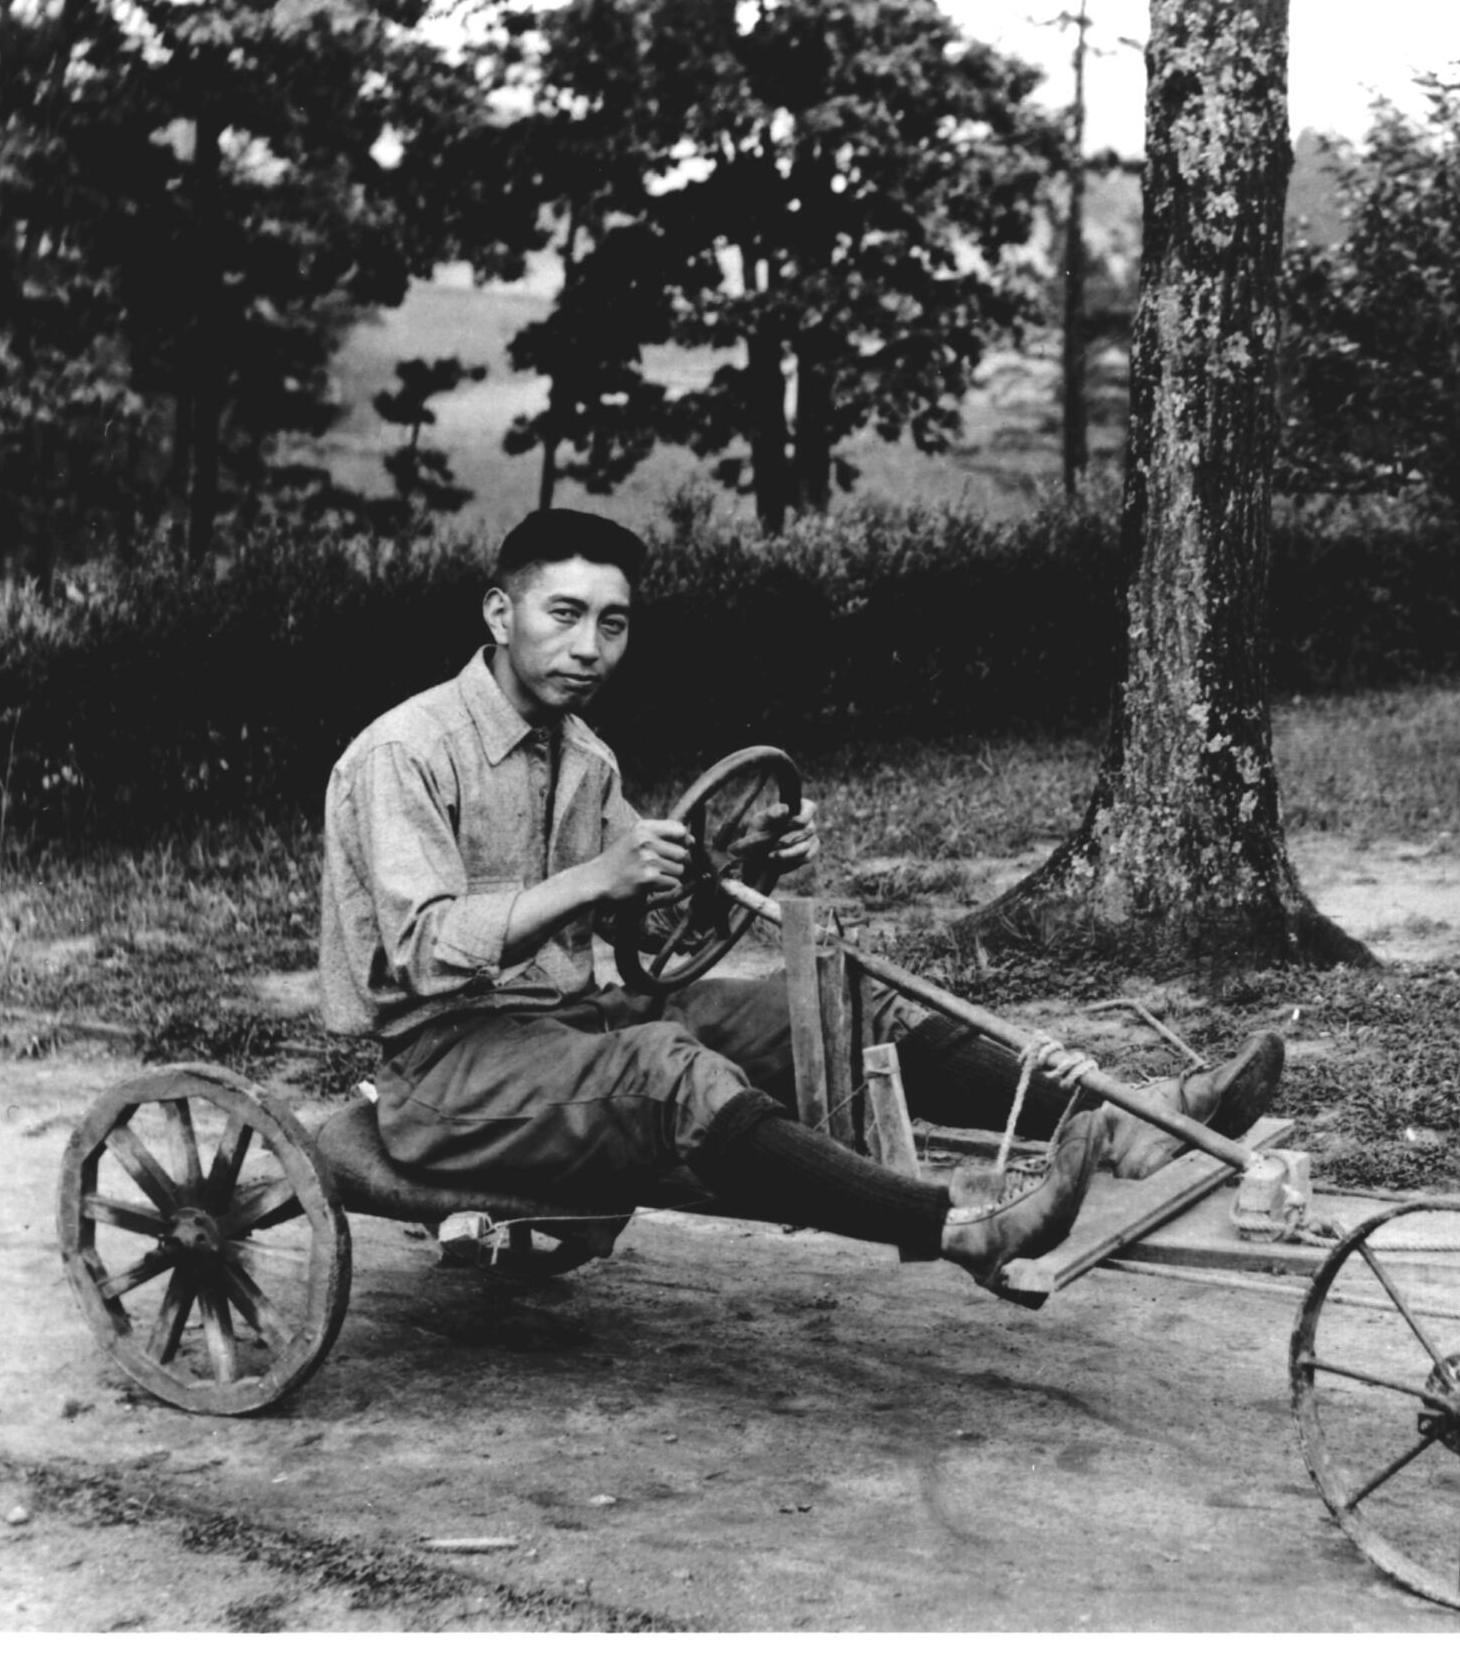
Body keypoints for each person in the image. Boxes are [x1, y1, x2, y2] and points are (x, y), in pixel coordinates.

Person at [319, 506, 1285, 1302]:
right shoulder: (409, 753)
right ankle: (955, 1231)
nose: (589, 646)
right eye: (563, 615)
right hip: (447, 1066)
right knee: (669, 1070)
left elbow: (645, 920)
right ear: (499, 613)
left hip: (567, 1021)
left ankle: (1126, 1123)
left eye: (612, 624)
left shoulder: (583, 757)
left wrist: (753, 860)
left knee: (832, 1006)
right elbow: (419, 949)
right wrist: (594, 880)